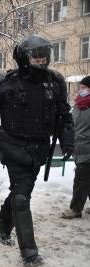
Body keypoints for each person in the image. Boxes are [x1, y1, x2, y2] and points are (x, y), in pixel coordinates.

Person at [0, 35, 74, 266]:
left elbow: (64, 116)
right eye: (35, 55)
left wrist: (67, 142)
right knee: (22, 197)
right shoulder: (4, 83)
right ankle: (29, 252)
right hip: (13, 147)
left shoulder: (55, 82)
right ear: (23, 58)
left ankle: (1, 224)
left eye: (44, 55)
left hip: (39, 149)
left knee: (20, 191)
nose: (40, 59)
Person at [61, 76, 90, 219]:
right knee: (86, 178)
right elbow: (71, 124)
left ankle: (76, 209)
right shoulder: (78, 105)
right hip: (78, 148)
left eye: (85, 88)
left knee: (80, 180)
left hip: (88, 149)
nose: (81, 90)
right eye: (81, 87)